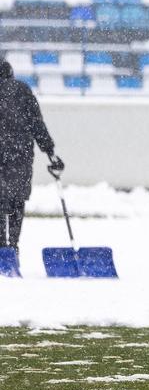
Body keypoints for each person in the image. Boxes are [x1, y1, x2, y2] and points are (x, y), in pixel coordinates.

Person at [0, 60, 64, 254]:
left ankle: (2, 247)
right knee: (18, 199)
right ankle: (13, 245)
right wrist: (50, 151)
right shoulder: (23, 91)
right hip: (21, 154)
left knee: (1, 200)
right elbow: (37, 124)